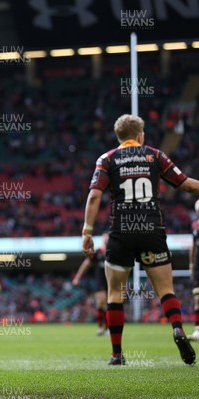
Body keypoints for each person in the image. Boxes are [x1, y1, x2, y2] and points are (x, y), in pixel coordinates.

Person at [82, 114, 199, 365]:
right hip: (151, 229)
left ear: (119, 137)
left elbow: (94, 197)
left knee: (114, 293)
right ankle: (177, 328)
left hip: (121, 231)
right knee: (166, 289)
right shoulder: (155, 155)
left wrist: (87, 232)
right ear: (139, 135)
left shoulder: (107, 158)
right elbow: (187, 185)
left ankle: (117, 354)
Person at [73, 233, 108, 335]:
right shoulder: (98, 252)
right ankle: (100, 326)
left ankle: (107, 327)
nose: (106, 238)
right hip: (100, 281)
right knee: (101, 302)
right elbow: (86, 264)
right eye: (105, 236)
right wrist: (77, 277)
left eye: (108, 236)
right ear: (102, 239)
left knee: (109, 305)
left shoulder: (113, 252)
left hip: (112, 281)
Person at [189, 199, 199, 341]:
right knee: (197, 296)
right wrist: (191, 264)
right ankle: (197, 330)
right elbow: (193, 246)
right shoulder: (195, 226)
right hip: (198, 264)